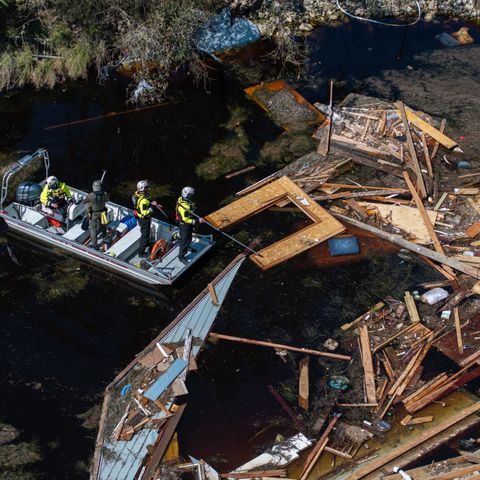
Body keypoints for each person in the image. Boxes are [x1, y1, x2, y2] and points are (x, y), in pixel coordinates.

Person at [132, 180, 160, 258]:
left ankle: (146, 243)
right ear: (143, 188)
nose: (148, 189)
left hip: (140, 218)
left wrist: (152, 203)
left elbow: (148, 200)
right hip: (144, 219)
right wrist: (153, 207)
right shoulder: (143, 201)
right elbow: (145, 213)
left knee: (145, 232)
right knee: (145, 235)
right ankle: (141, 253)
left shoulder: (138, 195)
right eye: (146, 187)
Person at [175, 186, 203, 261]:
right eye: (191, 195)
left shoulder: (182, 199)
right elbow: (185, 219)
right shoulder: (184, 207)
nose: (192, 196)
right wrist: (197, 221)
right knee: (184, 239)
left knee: (189, 237)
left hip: (188, 223)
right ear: (188, 195)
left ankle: (188, 247)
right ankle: (181, 256)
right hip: (184, 225)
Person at [83, 180, 109, 250]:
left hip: (93, 214)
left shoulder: (90, 195)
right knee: (103, 226)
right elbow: (107, 200)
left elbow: (84, 202)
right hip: (103, 212)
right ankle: (105, 238)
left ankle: (94, 244)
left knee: (93, 229)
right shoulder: (104, 194)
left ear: (93, 187)